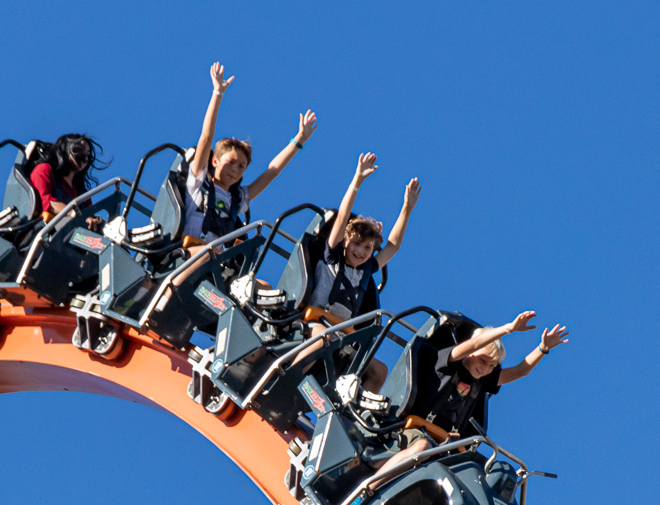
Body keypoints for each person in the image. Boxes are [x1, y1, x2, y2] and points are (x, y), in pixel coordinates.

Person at [370, 312, 570, 480]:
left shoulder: (483, 381)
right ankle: (369, 487)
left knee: (481, 478)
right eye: (483, 360)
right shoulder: (448, 362)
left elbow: (520, 371)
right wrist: (508, 328)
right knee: (422, 446)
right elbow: (474, 344)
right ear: (470, 354)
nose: (486, 369)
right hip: (415, 431)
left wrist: (542, 349)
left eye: (492, 366)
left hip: (445, 445)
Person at [304, 154, 421, 390]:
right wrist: (357, 180)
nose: (361, 251)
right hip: (316, 322)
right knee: (321, 340)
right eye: (356, 243)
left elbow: (393, 246)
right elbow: (343, 218)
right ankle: (287, 381)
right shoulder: (331, 257)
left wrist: (407, 208)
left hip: (343, 334)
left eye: (367, 248)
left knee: (379, 370)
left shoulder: (367, 270)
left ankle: (352, 418)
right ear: (346, 242)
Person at [184, 63, 317, 245]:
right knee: (208, 256)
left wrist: (298, 140)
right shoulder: (199, 182)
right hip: (191, 249)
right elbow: (206, 138)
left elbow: (272, 171)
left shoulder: (237, 199)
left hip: (215, 263)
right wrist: (218, 93)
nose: (235, 169)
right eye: (230, 162)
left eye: (241, 166)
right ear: (214, 161)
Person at [28, 135, 105, 224]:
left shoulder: (82, 193)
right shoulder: (44, 170)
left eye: (87, 153)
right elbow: (46, 202)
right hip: (47, 230)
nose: (85, 157)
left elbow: (89, 216)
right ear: (66, 149)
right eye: (79, 150)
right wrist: (74, 214)